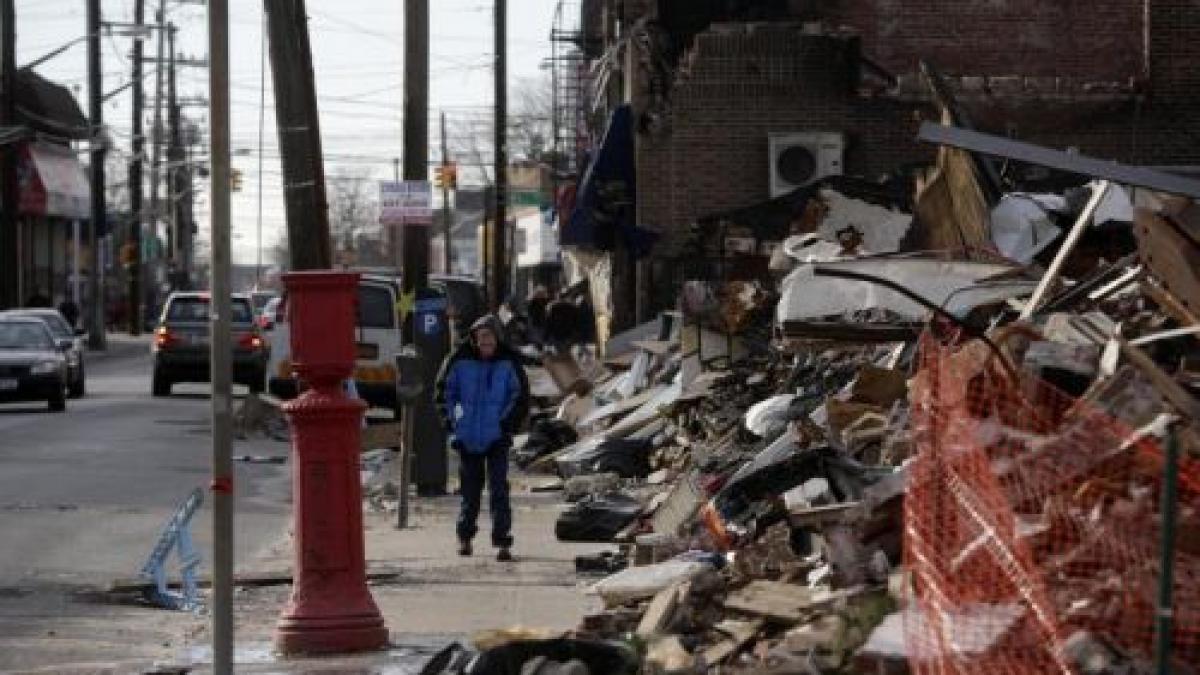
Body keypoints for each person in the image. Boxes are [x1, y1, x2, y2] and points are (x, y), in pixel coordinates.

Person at [435, 315, 530, 561]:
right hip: (467, 437)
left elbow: (518, 396)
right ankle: (464, 537)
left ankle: (502, 541)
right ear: (475, 339)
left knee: (499, 489)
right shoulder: (458, 361)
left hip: (497, 436)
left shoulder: (508, 362)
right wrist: (456, 423)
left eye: (490, 337)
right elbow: (446, 395)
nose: (485, 343)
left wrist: (505, 423)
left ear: (497, 338)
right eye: (481, 338)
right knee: (470, 491)